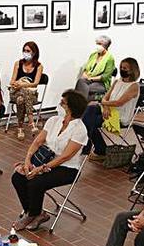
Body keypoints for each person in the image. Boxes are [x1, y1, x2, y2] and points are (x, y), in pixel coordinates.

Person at [12, 90, 88, 231]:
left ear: (71, 107)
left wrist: (41, 169)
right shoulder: (54, 121)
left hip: (66, 168)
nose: (59, 104)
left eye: (63, 102)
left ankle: (33, 214)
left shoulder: (80, 129)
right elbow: (37, 142)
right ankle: (35, 212)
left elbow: (65, 156)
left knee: (35, 182)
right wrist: (28, 160)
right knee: (18, 177)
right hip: (43, 161)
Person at [81, 57, 140, 160]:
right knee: (90, 109)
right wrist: (106, 106)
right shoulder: (117, 82)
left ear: (132, 70)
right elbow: (105, 98)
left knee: (91, 121)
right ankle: (92, 146)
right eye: (121, 67)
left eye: (125, 68)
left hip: (120, 116)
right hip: (108, 109)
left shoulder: (134, 86)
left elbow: (119, 102)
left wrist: (106, 104)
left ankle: (96, 148)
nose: (122, 70)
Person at [8, 41, 45, 141]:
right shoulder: (18, 64)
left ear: (34, 52)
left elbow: (35, 83)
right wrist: (16, 84)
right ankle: (31, 122)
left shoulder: (39, 66)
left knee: (21, 99)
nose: (25, 52)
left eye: (28, 51)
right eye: (24, 50)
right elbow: (12, 80)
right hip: (16, 92)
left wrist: (23, 85)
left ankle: (20, 128)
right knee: (21, 95)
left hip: (31, 94)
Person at [74, 36, 116, 100]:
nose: (97, 46)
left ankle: (78, 107)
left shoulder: (110, 58)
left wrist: (90, 78)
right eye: (97, 44)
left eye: (99, 44)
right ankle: (82, 106)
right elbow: (86, 69)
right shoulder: (93, 55)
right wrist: (85, 74)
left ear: (105, 45)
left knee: (83, 87)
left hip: (101, 83)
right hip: (88, 80)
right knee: (81, 82)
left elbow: (105, 77)